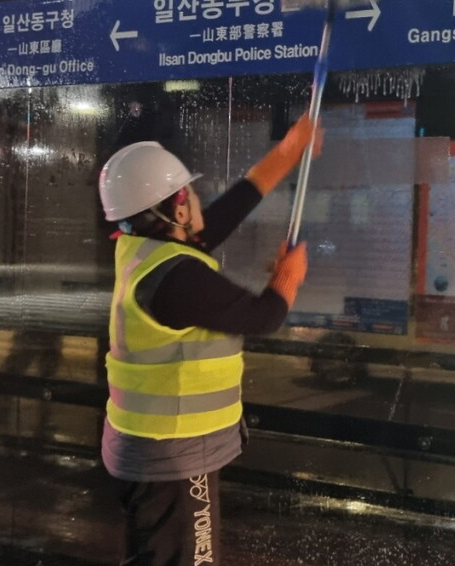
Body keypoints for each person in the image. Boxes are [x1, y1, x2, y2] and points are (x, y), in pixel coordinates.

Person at [97, 116, 321, 566]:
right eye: (191, 192)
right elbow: (263, 317)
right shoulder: (177, 278)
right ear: (178, 210)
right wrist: (289, 277)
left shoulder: (146, 251)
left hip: (152, 447)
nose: (199, 200)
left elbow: (226, 212)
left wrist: (287, 153)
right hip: (173, 453)